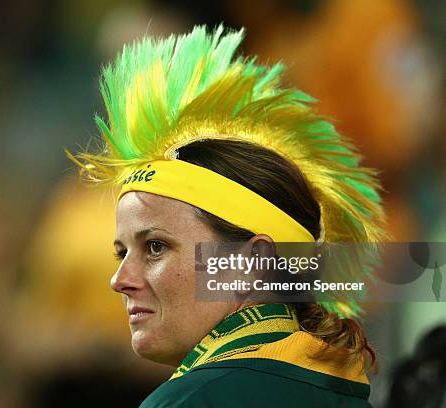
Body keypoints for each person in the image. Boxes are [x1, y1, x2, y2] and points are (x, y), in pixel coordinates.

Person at [68, 25, 387, 407]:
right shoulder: (344, 393)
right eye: (122, 253)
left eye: (155, 247)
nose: (120, 280)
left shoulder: (189, 401)